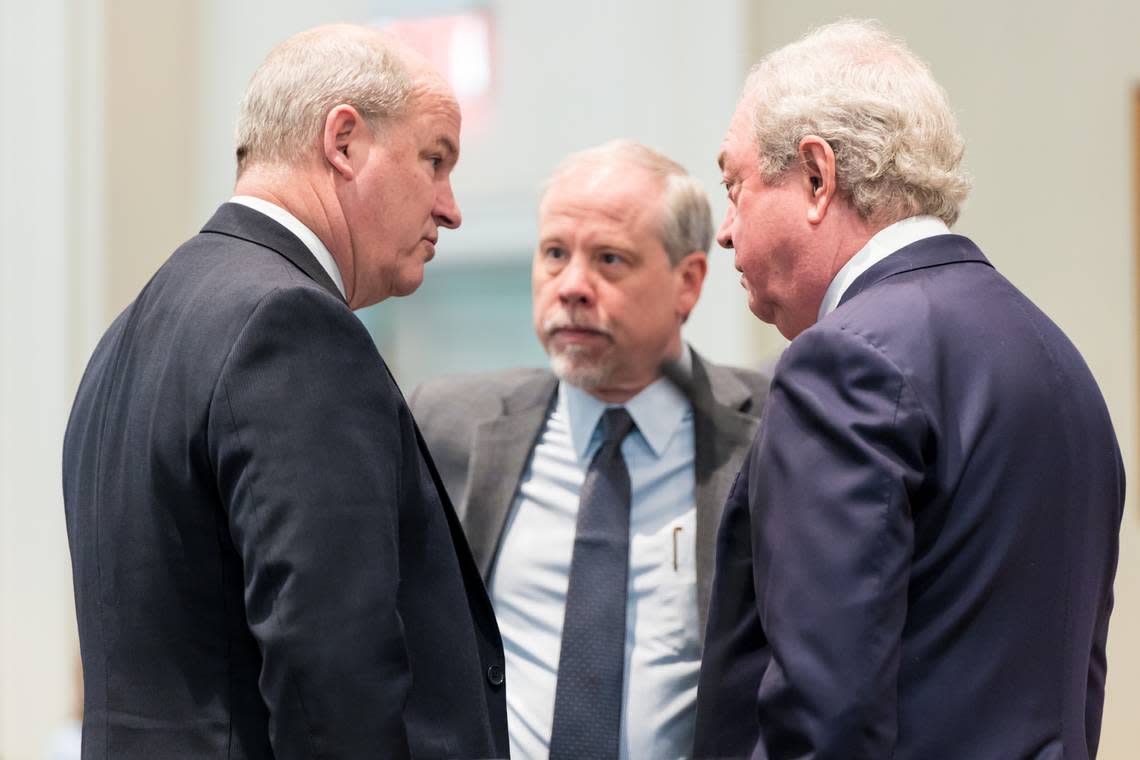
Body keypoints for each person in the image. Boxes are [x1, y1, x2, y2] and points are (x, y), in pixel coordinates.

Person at [61, 24, 507, 759]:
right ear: (344, 141)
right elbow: (332, 675)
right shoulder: (292, 326)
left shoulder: (127, 336)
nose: (450, 206)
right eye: (434, 160)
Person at [694, 19, 1125, 760]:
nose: (726, 230)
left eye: (735, 185)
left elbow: (824, 713)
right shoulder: (1058, 360)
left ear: (817, 176)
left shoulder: (844, 362)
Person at [411, 140, 769, 760]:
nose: (572, 286)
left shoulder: (770, 430)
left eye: (609, 259)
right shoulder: (446, 427)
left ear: (687, 282)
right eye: (555, 254)